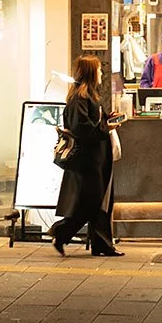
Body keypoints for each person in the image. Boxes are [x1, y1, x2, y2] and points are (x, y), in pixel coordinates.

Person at [52, 55, 121, 257]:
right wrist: (104, 127)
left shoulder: (91, 97)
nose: (101, 73)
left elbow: (93, 122)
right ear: (91, 72)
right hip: (87, 160)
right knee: (92, 202)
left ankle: (102, 245)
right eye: (98, 70)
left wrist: (108, 119)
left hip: (95, 158)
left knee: (95, 202)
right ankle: (62, 232)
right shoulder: (79, 99)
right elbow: (81, 128)